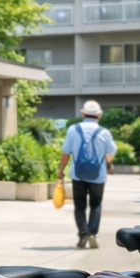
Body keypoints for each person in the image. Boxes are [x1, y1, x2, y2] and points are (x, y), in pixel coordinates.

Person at [57, 99, 116, 248]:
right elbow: (110, 153)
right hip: (98, 175)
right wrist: (109, 164)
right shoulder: (104, 132)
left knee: (80, 206)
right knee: (96, 205)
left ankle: (83, 233)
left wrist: (61, 170)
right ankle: (92, 233)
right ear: (99, 115)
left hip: (78, 174)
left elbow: (65, 153)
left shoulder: (73, 130)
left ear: (82, 113)